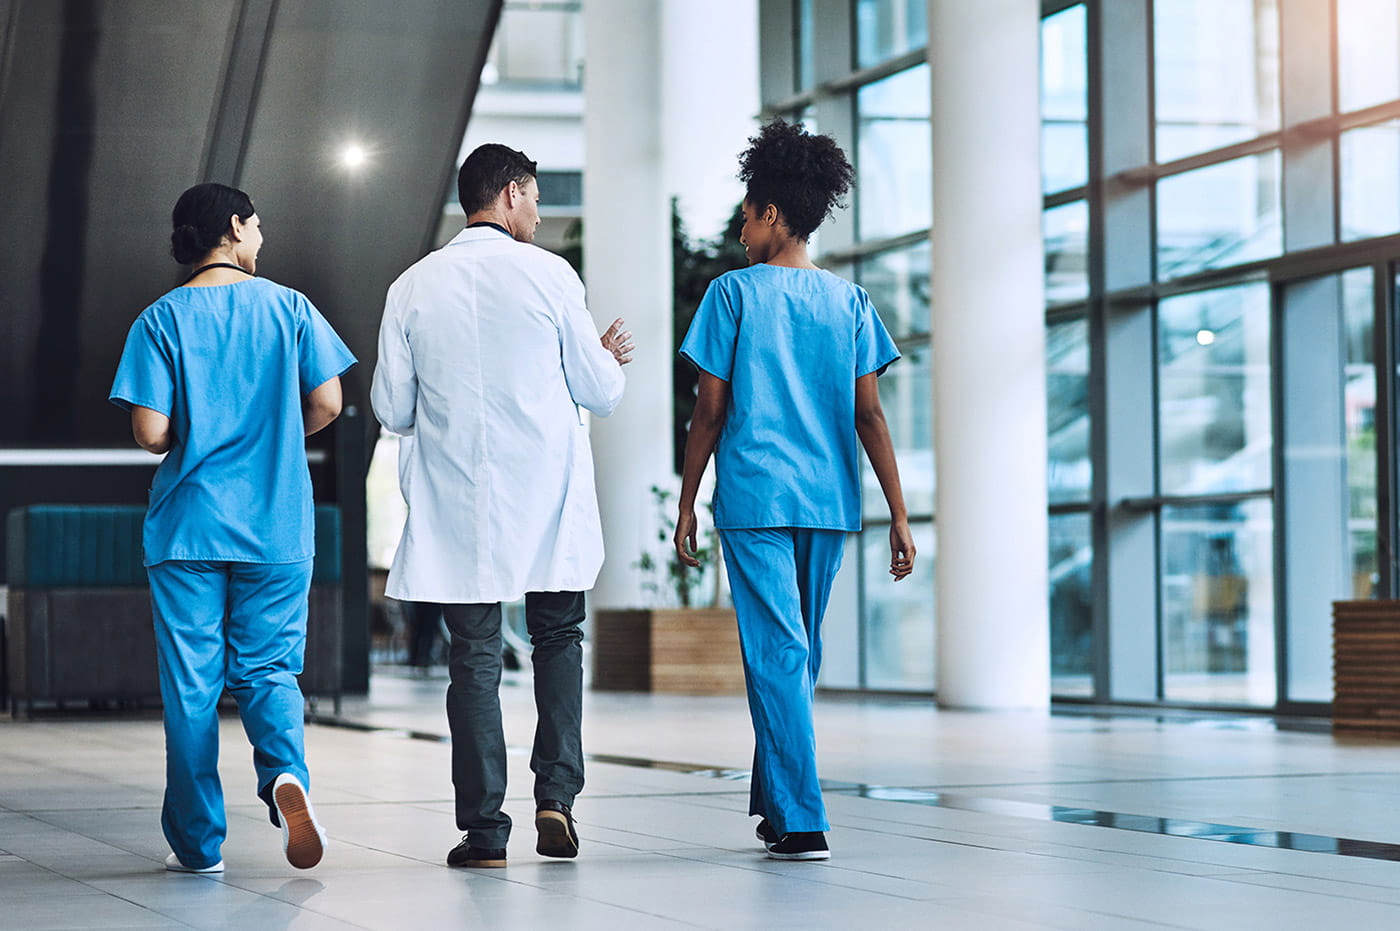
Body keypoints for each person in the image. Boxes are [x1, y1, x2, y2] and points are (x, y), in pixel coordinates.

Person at [371, 143, 632, 869]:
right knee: (558, 639)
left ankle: (485, 831)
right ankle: (556, 796)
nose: (540, 213)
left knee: (475, 659)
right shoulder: (551, 276)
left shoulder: (412, 286)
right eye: (538, 199)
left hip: (462, 503)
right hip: (547, 499)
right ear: (511, 193)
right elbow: (600, 389)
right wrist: (604, 356)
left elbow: (391, 406)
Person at [673, 120, 915, 862]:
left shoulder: (731, 295)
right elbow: (868, 414)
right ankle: (778, 805)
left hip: (754, 501)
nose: (742, 231)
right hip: (829, 502)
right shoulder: (849, 304)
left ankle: (804, 819)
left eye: (747, 216)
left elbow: (709, 411)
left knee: (780, 655)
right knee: (796, 657)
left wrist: (686, 500)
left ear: (773, 214)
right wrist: (898, 515)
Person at [109, 182, 356, 873]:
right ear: (233, 227)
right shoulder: (291, 308)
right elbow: (329, 403)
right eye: (257, 225)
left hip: (187, 527)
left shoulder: (160, 319)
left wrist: (196, 436)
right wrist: (274, 431)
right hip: (276, 523)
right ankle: (286, 778)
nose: (262, 238)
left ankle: (197, 844)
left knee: (191, 686)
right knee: (269, 668)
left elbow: (150, 429)